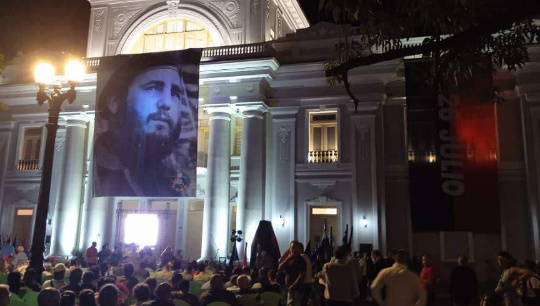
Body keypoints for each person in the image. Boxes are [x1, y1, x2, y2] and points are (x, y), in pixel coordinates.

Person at [94, 52, 197, 197]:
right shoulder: (96, 168)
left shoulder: (170, 177)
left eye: (175, 93)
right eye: (153, 88)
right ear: (114, 102)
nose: (167, 103)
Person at [278, 240, 307, 306]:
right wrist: (288, 258)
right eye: (292, 248)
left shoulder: (301, 261)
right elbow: (280, 268)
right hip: (287, 288)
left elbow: (301, 276)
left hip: (296, 290)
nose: (294, 250)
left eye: (295, 248)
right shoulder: (288, 260)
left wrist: (292, 286)